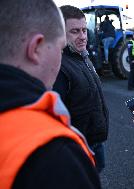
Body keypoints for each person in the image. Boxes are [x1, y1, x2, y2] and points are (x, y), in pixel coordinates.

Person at [0, 0, 101, 189]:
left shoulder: (85, 59)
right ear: (36, 48)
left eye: (84, 30)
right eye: (60, 48)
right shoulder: (53, 153)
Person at [53, 5, 109, 174]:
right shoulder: (58, 68)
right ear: (60, 32)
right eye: (75, 31)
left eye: (84, 30)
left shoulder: (83, 58)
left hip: (94, 141)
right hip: (77, 149)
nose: (83, 36)